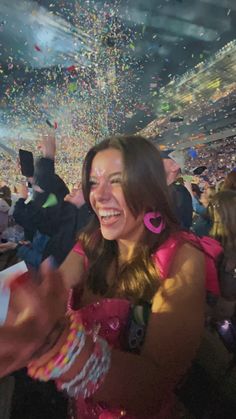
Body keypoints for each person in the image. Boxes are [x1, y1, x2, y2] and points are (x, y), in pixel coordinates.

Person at [0, 135, 221, 419]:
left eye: (116, 180)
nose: (98, 195)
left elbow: (154, 388)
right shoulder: (91, 243)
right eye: (94, 182)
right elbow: (51, 299)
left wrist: (55, 346)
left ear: (149, 187)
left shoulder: (182, 258)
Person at [160, 149, 193, 230]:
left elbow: (178, 227)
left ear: (175, 166)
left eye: (159, 161)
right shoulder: (166, 190)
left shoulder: (178, 192)